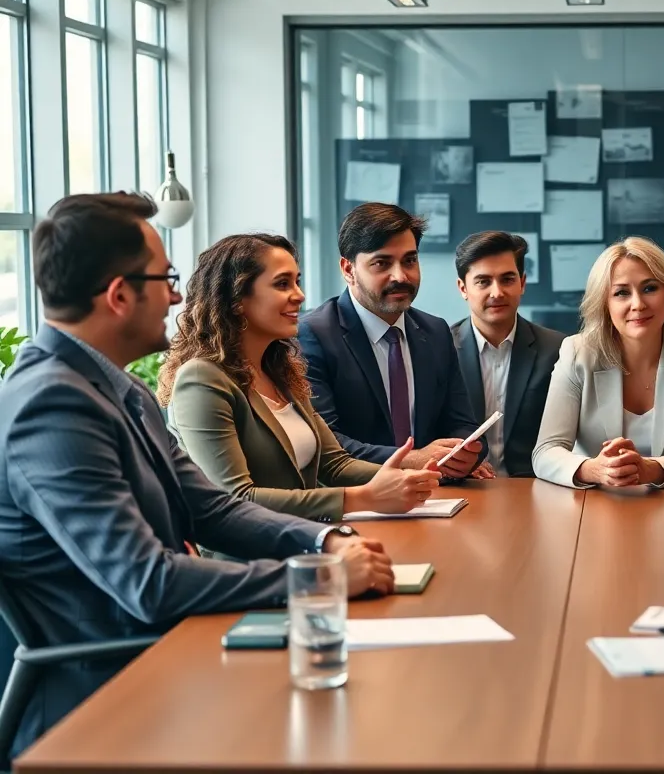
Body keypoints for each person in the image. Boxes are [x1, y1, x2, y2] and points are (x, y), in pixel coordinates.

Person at [0, 194, 394, 760]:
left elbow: (212, 508)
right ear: (118, 296)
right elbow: (148, 583)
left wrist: (322, 539)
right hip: (106, 697)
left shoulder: (119, 389)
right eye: (165, 278)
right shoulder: (51, 405)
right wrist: (317, 579)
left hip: (169, 654)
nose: (178, 295)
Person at [160, 234, 441, 526]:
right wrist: (364, 497)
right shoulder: (201, 379)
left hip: (305, 540)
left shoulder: (281, 371)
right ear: (237, 300)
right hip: (247, 560)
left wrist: (408, 478)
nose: (299, 295)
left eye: (297, 281)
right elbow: (235, 498)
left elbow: (335, 464)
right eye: (282, 284)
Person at [297, 202, 484, 477]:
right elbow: (326, 443)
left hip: (435, 497)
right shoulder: (313, 334)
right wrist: (413, 459)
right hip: (355, 499)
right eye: (382, 263)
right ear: (348, 269)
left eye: (410, 260)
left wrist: (466, 454)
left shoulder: (435, 332)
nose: (401, 276)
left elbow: (462, 423)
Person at [532, 237, 664, 489]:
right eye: (621, 293)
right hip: (593, 506)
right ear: (605, 304)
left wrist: (651, 469)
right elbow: (546, 452)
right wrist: (594, 469)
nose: (638, 304)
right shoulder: (577, 352)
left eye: (649, 288)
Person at [450, 232, 563, 478]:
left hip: (536, 486)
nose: (497, 292)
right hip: (465, 488)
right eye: (483, 281)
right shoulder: (440, 349)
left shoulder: (557, 349)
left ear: (522, 283)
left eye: (507, 279)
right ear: (463, 288)